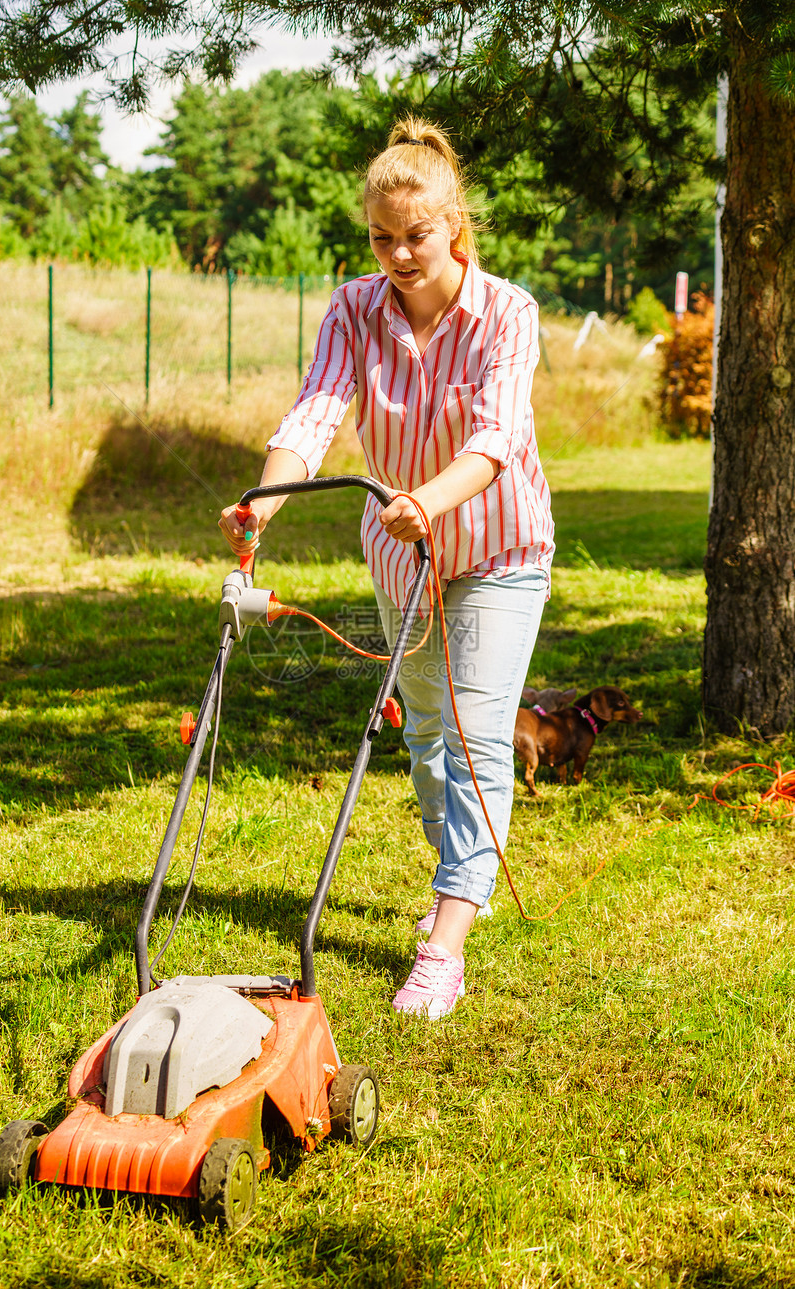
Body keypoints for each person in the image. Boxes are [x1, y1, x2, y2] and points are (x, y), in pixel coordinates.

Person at [220, 117, 554, 1019]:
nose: (400, 254)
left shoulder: (508, 313)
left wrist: (431, 498)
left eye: (416, 235)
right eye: (381, 236)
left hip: (497, 546)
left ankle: (444, 939)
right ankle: (462, 867)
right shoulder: (352, 309)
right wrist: (264, 503)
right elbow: (315, 415)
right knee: (425, 732)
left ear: (455, 226)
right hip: (398, 551)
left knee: (479, 737)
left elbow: (495, 439)